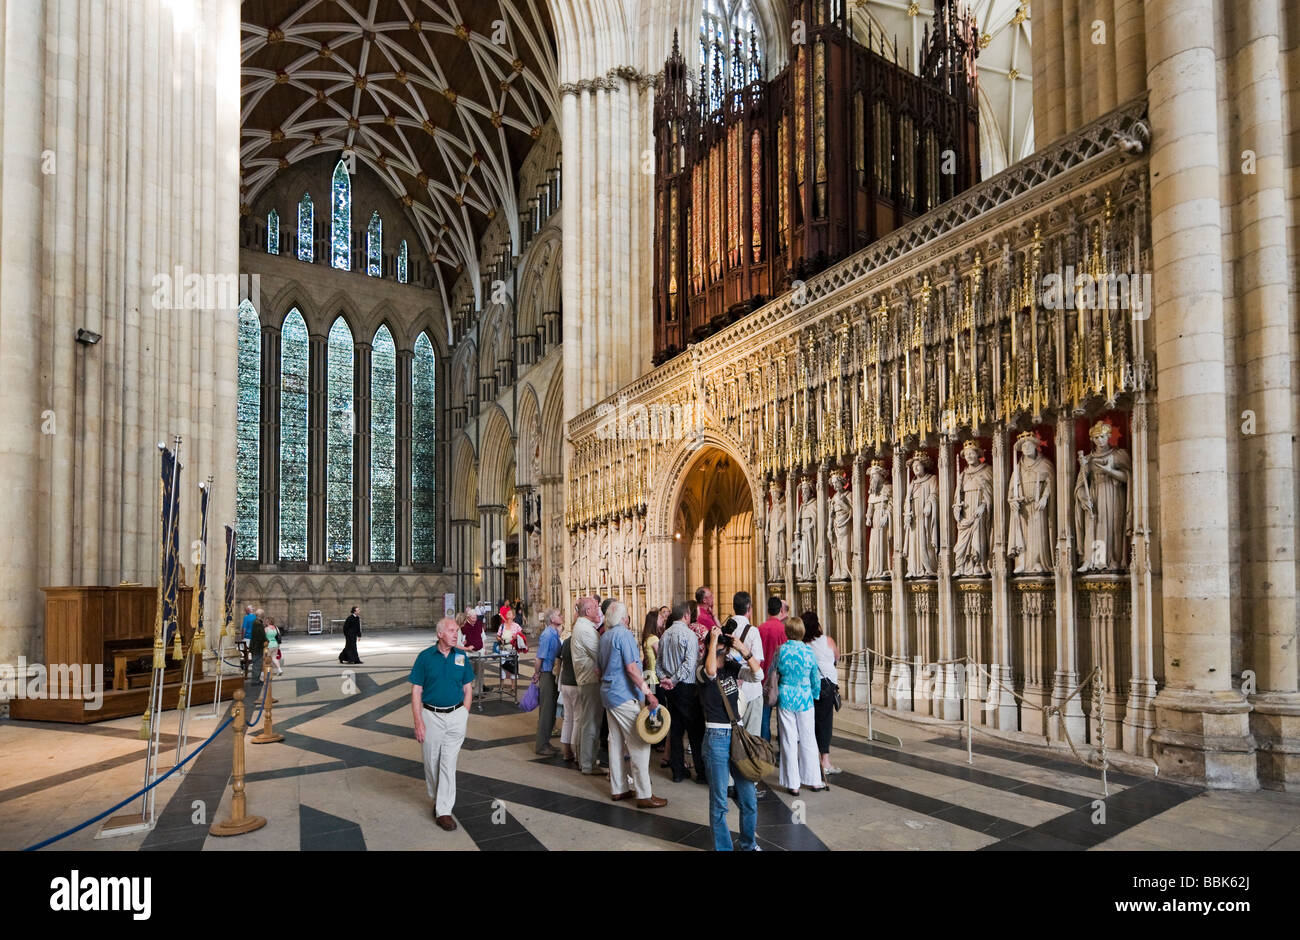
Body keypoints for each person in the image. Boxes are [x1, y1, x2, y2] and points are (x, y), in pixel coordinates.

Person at [597, 600, 667, 808]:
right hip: (624, 695)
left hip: (608, 694)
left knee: (616, 743)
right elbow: (631, 668)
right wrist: (648, 693)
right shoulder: (624, 635)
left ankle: (618, 789)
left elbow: (598, 671)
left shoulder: (605, 636)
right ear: (624, 618)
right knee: (639, 743)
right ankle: (644, 794)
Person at [700, 622, 762, 851]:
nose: (722, 648)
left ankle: (748, 844)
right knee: (719, 802)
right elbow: (709, 672)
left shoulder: (731, 666)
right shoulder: (701, 669)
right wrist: (713, 641)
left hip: (737, 735)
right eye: (718, 644)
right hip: (716, 737)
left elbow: (758, 675)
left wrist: (744, 650)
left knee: (748, 798)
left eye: (724, 645)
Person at [410, 617, 475, 831]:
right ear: (440, 634)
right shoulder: (425, 657)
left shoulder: (461, 656)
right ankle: (437, 799)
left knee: (448, 764)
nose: (456, 634)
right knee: (431, 762)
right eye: (451, 630)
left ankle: (444, 810)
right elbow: (416, 691)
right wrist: (418, 721)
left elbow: (468, 687)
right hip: (431, 716)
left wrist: (464, 711)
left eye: (457, 630)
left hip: (456, 715)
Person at [770, 616, 826, 796]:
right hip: (805, 698)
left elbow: (773, 671)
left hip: (786, 696)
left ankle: (792, 783)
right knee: (809, 738)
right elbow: (815, 678)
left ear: (787, 631)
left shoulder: (780, 650)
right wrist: (814, 694)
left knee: (788, 739)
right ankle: (813, 780)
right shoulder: (809, 652)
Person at [658, 600, 705, 784]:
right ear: (686, 615)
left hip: (670, 689)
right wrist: (675, 679)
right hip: (685, 687)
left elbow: (659, 663)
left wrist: (665, 679)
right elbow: (689, 663)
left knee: (676, 730)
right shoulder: (689, 635)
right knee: (695, 731)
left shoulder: (665, 635)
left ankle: (677, 772)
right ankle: (701, 773)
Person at [802, 610, 842, 776]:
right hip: (826, 685)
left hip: (810, 686)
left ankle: (811, 761)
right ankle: (825, 761)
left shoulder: (803, 644)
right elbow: (837, 657)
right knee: (825, 724)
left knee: (810, 723)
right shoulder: (828, 640)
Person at [570, 596, 604, 775]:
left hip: (587, 680)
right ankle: (588, 763)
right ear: (588, 611)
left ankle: (585, 762)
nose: (599, 609)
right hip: (590, 681)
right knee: (591, 723)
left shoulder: (584, 626)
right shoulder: (585, 629)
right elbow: (599, 654)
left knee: (587, 721)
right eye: (596, 607)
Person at [757, 596, 789, 742]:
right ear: (780, 610)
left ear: (768, 609)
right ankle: (783, 749)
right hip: (781, 679)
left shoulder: (760, 628)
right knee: (782, 719)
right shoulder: (783, 630)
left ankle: (765, 748)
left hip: (764, 678)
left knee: (764, 717)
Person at [533, 607, 562, 756]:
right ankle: (541, 745)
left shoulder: (554, 633)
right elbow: (539, 657)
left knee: (551, 711)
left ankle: (546, 741)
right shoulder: (547, 635)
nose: (561, 616)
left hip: (552, 674)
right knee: (546, 711)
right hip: (546, 674)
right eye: (558, 614)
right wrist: (536, 673)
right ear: (552, 619)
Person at [558, 616, 579, 763]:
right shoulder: (580, 642)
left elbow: (560, 661)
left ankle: (566, 752)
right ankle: (577, 754)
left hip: (565, 682)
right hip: (576, 684)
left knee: (567, 719)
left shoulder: (566, 642)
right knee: (577, 719)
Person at [495, 605, 528, 695]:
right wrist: (499, 639)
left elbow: (522, 636)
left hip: (513, 649)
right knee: (502, 667)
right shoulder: (502, 626)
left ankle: (513, 687)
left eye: (510, 613)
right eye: (507, 613)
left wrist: (516, 636)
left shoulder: (516, 626)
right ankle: (501, 686)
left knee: (513, 667)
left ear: (513, 616)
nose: (507, 614)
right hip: (504, 648)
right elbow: (498, 635)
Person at [248, 608, 267, 684]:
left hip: (256, 646)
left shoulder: (256, 622)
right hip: (257, 647)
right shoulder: (258, 623)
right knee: (257, 664)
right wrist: (266, 640)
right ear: (262, 615)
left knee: (257, 663)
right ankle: (255, 681)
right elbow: (261, 635)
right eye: (263, 614)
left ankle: (256, 679)